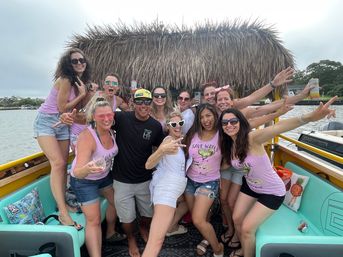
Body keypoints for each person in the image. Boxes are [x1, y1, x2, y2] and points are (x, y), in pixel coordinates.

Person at [219, 96, 337, 257]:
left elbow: (279, 127)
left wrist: (309, 117)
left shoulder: (252, 138)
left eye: (233, 121)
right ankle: (243, 248)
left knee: (247, 228)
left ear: (241, 122)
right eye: (225, 123)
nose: (229, 125)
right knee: (237, 217)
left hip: (272, 191)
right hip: (251, 186)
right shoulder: (229, 144)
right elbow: (225, 164)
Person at [33, 48, 90, 228]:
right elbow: (61, 108)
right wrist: (82, 94)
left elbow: (78, 110)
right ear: (68, 64)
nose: (80, 63)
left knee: (62, 164)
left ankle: (62, 204)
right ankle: (64, 215)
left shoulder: (80, 82)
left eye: (82, 60)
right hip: (47, 122)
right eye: (75, 61)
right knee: (57, 163)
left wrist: (87, 93)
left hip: (63, 124)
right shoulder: (65, 79)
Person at [111, 88, 165, 257]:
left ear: (151, 104)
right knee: (126, 219)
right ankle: (131, 239)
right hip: (121, 179)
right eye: (139, 101)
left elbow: (160, 148)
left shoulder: (155, 126)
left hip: (145, 179)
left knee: (148, 214)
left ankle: (143, 228)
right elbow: (99, 117)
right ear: (133, 102)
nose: (143, 105)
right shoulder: (121, 118)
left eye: (147, 101)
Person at [70, 99, 121, 257]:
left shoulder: (112, 131)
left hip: (104, 177)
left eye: (109, 115)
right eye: (101, 116)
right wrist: (87, 169)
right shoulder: (87, 137)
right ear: (93, 117)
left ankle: (110, 232)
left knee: (118, 202)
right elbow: (77, 172)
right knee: (94, 220)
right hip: (84, 182)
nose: (106, 119)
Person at [142, 110, 188, 257]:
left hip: (173, 192)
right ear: (168, 126)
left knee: (188, 201)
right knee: (156, 240)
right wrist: (161, 150)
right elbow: (149, 165)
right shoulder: (168, 141)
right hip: (166, 194)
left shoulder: (179, 140)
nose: (177, 126)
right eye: (173, 124)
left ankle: (173, 226)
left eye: (180, 123)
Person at [184, 103, 224, 257]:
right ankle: (205, 239)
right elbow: (186, 153)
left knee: (198, 220)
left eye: (208, 116)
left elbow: (227, 158)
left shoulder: (221, 134)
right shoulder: (193, 133)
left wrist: (218, 169)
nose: (205, 120)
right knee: (200, 215)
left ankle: (218, 249)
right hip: (190, 181)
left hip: (209, 182)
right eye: (201, 117)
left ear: (215, 116)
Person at [202, 67, 294, 107]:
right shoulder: (200, 111)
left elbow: (252, 97)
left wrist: (273, 84)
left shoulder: (230, 104)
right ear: (204, 97)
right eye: (207, 94)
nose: (210, 96)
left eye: (212, 93)